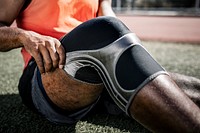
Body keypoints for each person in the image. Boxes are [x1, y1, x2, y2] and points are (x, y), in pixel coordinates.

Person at [0, 0, 200, 132]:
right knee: (103, 31)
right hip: (46, 75)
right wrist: (24, 36)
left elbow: (110, 18)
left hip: (98, 77)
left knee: (182, 87)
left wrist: (132, 53)